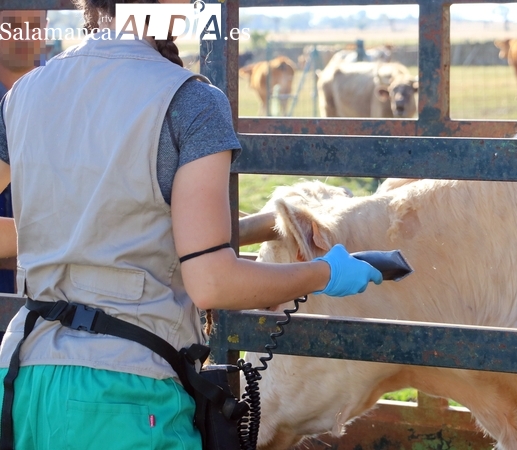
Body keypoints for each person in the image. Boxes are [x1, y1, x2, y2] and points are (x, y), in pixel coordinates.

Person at [0, 1, 383, 448]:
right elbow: (213, 284)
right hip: (126, 392)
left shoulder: (25, 94)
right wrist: (328, 273)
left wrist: (72, 241)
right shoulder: (189, 101)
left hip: (21, 379)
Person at [0, 9, 48, 293]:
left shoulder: (70, 100)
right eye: (11, 24)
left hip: (55, 304)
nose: (22, 34)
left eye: (33, 23)